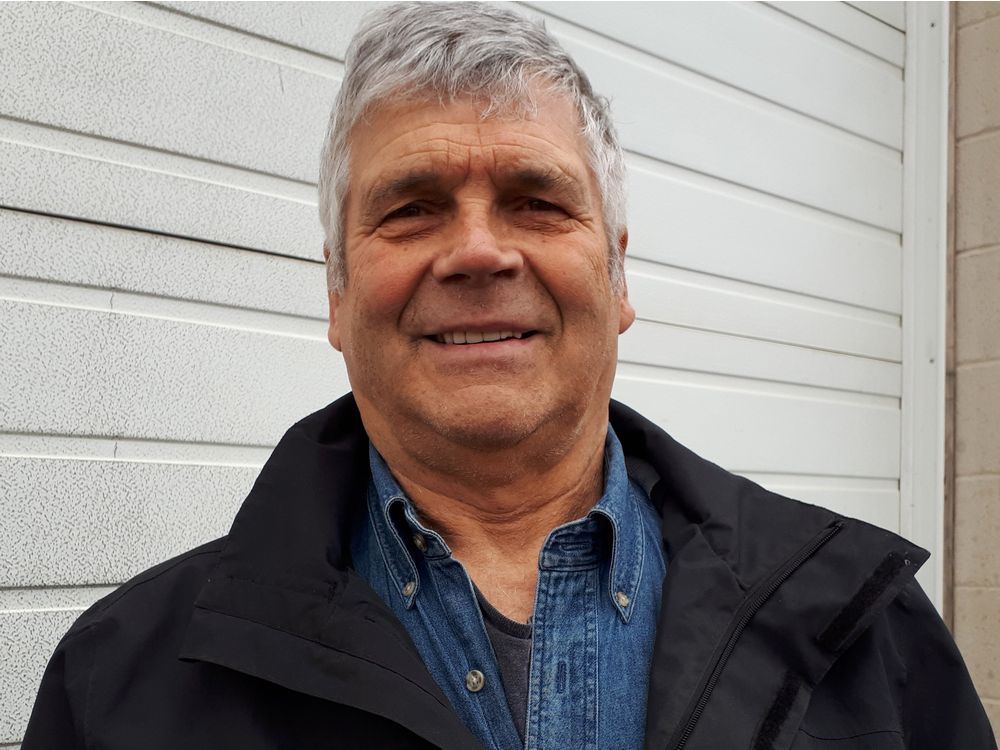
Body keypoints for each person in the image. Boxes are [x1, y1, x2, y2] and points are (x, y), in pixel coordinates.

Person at [22, 4, 996, 749]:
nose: (479, 253)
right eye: (412, 208)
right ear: (336, 293)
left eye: (536, 201)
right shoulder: (121, 684)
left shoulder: (865, 635)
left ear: (618, 277)